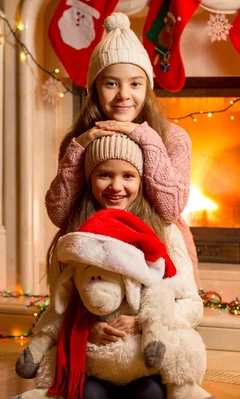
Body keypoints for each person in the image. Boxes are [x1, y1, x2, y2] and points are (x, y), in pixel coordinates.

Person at [40, 133, 203, 399]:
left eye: (128, 176)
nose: (116, 186)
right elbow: (58, 306)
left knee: (149, 394)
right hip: (94, 361)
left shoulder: (164, 230)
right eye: (104, 175)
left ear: (141, 179)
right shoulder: (74, 236)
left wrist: (143, 322)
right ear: (89, 178)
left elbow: (193, 305)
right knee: (89, 395)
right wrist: (86, 327)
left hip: (145, 362)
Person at [45, 12, 200, 290]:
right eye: (111, 83)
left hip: (159, 263)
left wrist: (146, 138)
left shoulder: (173, 138)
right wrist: (78, 149)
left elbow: (169, 209)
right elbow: (59, 214)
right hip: (96, 264)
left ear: (147, 88)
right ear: (95, 89)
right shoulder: (78, 140)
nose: (123, 95)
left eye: (135, 83)